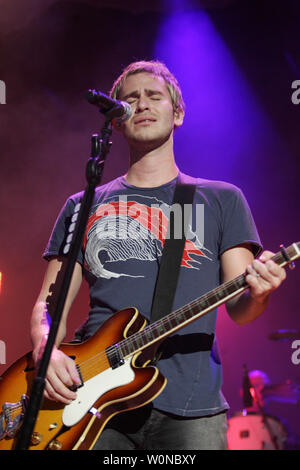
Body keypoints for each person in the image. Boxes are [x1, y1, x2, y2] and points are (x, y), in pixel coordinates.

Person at [30, 60, 287, 450]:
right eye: (130, 99)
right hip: (96, 402)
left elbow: (240, 306)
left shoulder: (221, 199)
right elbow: (49, 305)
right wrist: (44, 347)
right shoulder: (83, 205)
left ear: (178, 112)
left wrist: (261, 291)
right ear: (116, 120)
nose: (143, 104)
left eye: (154, 96)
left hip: (191, 407)